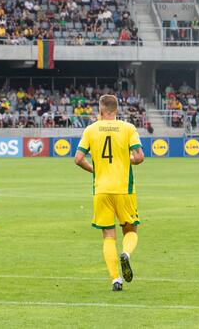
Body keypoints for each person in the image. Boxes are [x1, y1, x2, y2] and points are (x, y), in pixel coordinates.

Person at [74, 94, 144, 291]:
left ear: (100, 110)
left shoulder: (91, 129)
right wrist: (126, 160)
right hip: (124, 189)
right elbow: (139, 157)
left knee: (108, 236)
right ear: (117, 110)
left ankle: (115, 279)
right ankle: (127, 254)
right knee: (130, 229)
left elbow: (78, 159)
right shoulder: (128, 128)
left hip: (101, 190)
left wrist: (95, 169)